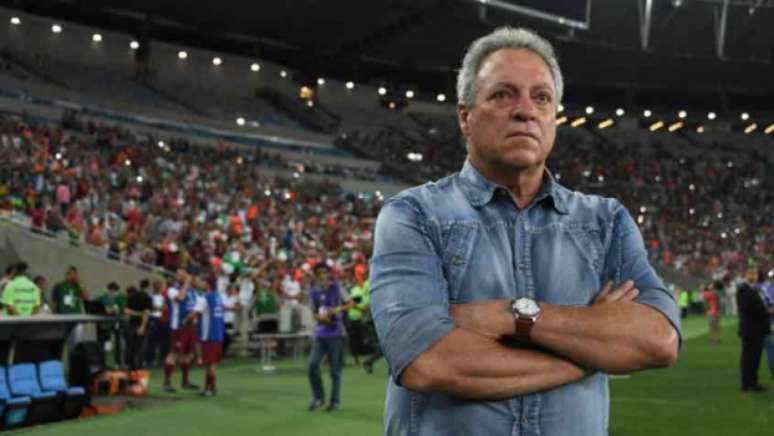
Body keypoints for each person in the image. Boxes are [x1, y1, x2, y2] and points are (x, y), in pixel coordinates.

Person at [369, 27, 681, 436]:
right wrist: (592, 353)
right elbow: (429, 361)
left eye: (541, 97)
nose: (525, 110)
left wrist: (510, 315)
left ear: (553, 117)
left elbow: (658, 340)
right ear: (465, 115)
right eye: (503, 94)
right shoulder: (414, 215)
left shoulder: (605, 222)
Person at [307, 263, 353, 412]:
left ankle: (335, 402)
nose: (322, 276)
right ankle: (318, 398)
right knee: (312, 365)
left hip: (336, 333)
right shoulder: (313, 291)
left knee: (334, 370)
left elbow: (351, 303)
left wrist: (336, 310)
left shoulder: (337, 287)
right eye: (319, 273)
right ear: (315, 275)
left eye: (324, 272)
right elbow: (313, 312)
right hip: (320, 333)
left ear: (328, 273)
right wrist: (321, 319)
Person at [736, 267, 772, 392]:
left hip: (756, 329)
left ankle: (753, 382)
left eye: (755, 273)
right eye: (751, 273)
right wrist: (768, 311)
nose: (754, 275)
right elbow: (749, 309)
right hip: (751, 330)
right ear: (746, 275)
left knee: (755, 358)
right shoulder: (744, 290)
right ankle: (747, 384)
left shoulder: (753, 289)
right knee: (749, 358)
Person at [163, 269, 200, 392]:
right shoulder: (172, 289)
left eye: (184, 275)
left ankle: (185, 381)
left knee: (188, 354)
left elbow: (196, 307)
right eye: (180, 275)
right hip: (178, 326)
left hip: (191, 327)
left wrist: (195, 319)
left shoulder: (193, 291)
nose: (183, 277)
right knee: (174, 353)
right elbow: (179, 298)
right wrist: (186, 284)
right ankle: (166, 382)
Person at [191, 277, 225, 397]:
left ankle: (210, 388)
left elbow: (195, 313)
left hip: (209, 334)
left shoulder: (204, 298)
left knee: (209, 363)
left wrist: (186, 321)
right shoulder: (218, 297)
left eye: (202, 281)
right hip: (219, 334)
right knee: (212, 363)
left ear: (208, 284)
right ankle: (211, 387)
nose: (200, 283)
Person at [125, 283, 152, 371]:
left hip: (131, 325)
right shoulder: (147, 298)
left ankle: (130, 368)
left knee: (130, 347)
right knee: (140, 348)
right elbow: (146, 313)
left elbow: (127, 311)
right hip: (142, 325)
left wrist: (136, 313)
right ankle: (139, 369)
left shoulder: (131, 297)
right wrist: (142, 326)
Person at [98, 282, 126, 367]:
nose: (113, 293)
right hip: (106, 325)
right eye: (111, 291)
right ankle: (105, 361)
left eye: (115, 291)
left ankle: (118, 362)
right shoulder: (102, 297)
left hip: (117, 324)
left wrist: (116, 310)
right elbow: (97, 307)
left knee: (118, 344)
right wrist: (107, 309)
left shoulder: (120, 298)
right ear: (108, 289)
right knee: (107, 343)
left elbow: (122, 309)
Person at [345, 270, 370, 365]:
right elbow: (352, 303)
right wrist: (361, 309)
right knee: (353, 339)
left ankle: (360, 357)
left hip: (360, 318)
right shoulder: (355, 290)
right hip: (352, 317)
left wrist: (364, 309)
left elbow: (366, 304)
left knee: (360, 338)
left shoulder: (365, 290)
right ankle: (356, 359)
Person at [145, 279, 168, 367]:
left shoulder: (163, 297)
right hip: (152, 318)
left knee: (160, 340)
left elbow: (165, 307)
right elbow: (151, 307)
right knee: (151, 340)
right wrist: (159, 308)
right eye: (161, 286)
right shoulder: (150, 295)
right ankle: (149, 359)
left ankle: (158, 358)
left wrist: (158, 308)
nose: (162, 288)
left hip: (160, 319)